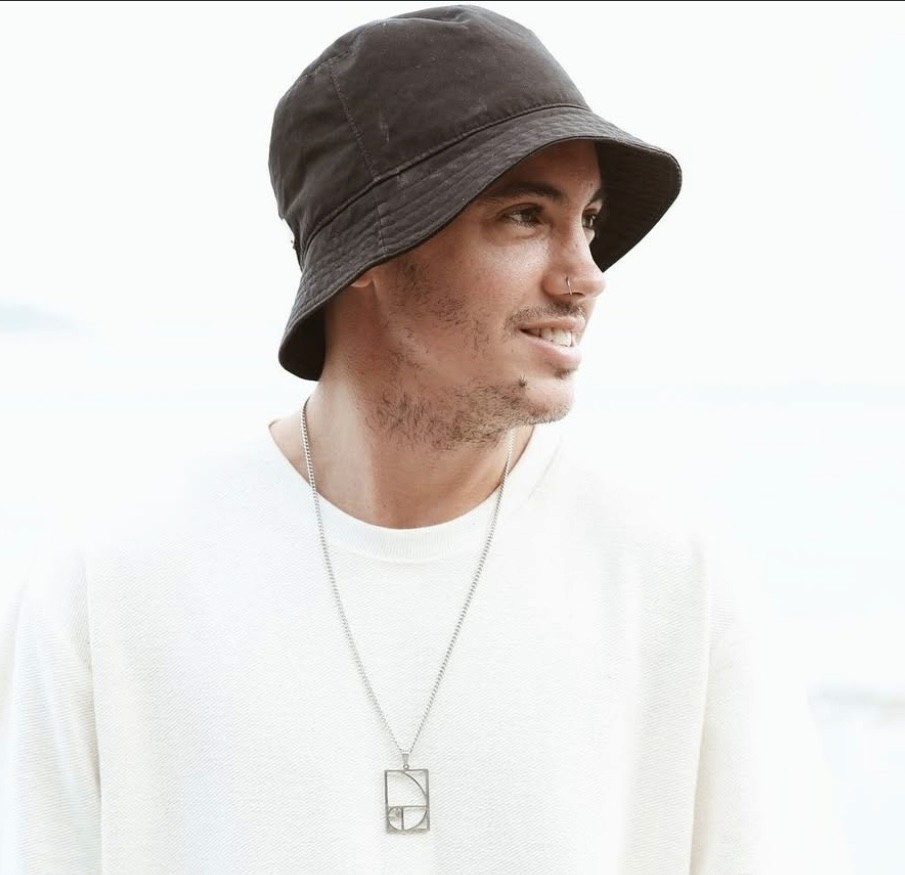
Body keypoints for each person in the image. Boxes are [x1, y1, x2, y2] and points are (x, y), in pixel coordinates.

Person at [1, 5, 848, 873]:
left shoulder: (673, 575)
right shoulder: (111, 588)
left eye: (588, 221)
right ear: (368, 250)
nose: (585, 275)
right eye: (525, 216)